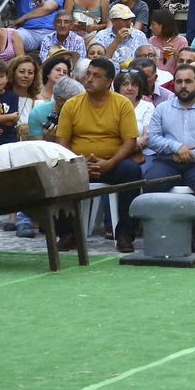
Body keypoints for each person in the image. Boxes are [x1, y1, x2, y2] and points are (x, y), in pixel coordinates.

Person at [55, 57, 142, 252]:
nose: (89, 79)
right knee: (55, 170)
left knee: (132, 171)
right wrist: (78, 163)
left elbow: (130, 142)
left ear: (109, 81)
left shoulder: (122, 104)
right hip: (78, 163)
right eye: (88, 74)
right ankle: (68, 234)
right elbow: (61, 143)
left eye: (96, 76)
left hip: (112, 163)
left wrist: (109, 163)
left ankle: (125, 234)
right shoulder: (72, 104)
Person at [142, 60, 195, 253]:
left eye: (188, 81)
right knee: (151, 182)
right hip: (167, 160)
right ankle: (161, 234)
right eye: (179, 82)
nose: (183, 86)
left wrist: (192, 155)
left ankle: (192, 236)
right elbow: (153, 138)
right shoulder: (163, 109)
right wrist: (177, 147)